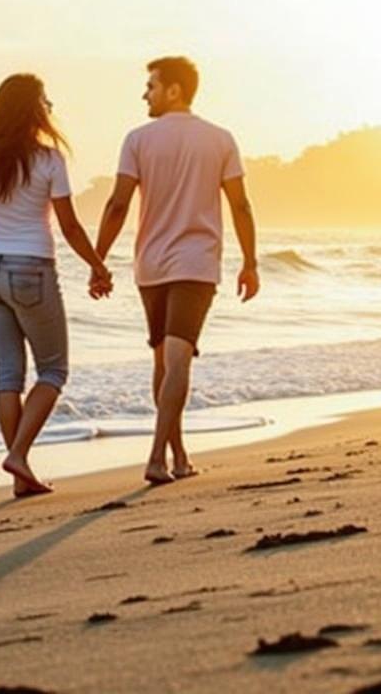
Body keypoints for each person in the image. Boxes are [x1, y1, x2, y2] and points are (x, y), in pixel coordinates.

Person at [0, 73, 113, 497]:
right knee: (54, 370)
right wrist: (98, 266)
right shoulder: (49, 158)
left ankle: (20, 478)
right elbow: (70, 226)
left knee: (8, 376)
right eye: (45, 100)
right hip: (30, 269)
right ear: (32, 108)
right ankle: (19, 457)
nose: (50, 106)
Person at [94, 56, 259, 485]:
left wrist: (98, 260)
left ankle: (177, 455)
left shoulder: (138, 140)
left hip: (151, 264)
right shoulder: (220, 139)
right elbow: (240, 205)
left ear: (174, 90)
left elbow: (117, 205)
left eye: (151, 85)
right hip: (196, 263)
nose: (144, 94)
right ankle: (158, 458)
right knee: (175, 362)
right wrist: (250, 261)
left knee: (166, 363)